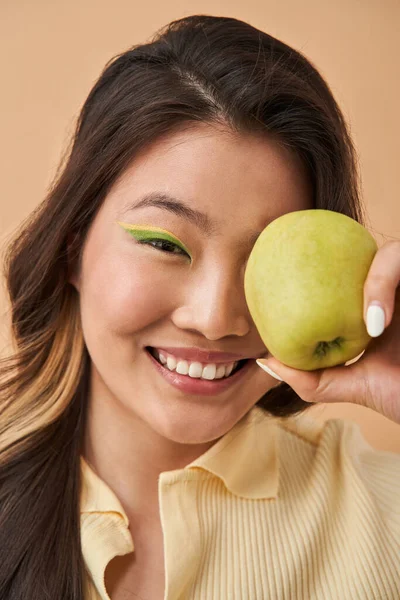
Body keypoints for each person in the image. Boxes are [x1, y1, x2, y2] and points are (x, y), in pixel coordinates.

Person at [0, 14, 399, 600]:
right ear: (72, 246)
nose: (216, 317)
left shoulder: (385, 517)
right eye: (165, 244)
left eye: (265, 259)